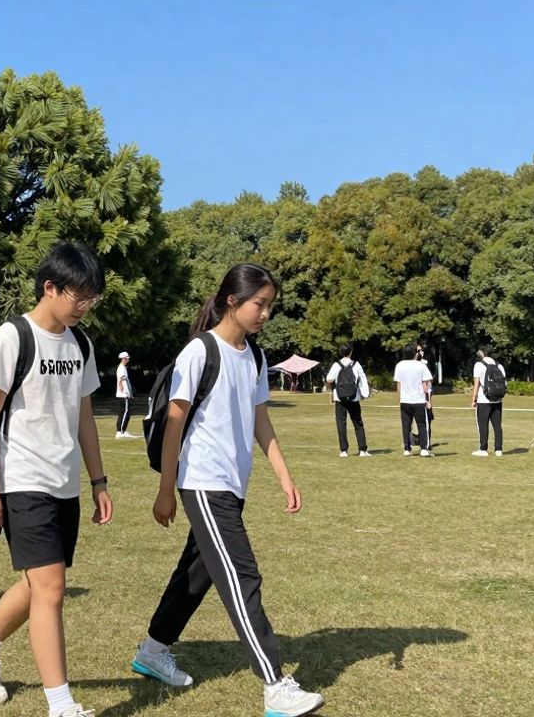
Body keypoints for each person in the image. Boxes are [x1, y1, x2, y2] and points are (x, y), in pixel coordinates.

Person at [131, 263, 323, 717]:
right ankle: (275, 684)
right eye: (260, 304)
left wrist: (284, 475)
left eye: (270, 305)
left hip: (232, 484)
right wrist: (165, 489)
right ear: (232, 301)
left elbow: (260, 420)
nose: (266, 314)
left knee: (196, 574)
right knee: (242, 576)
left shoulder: (254, 357)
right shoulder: (200, 351)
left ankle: (153, 651)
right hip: (202, 481)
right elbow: (175, 422)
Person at [0, 241, 112, 717]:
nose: (85, 307)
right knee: (51, 589)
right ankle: (60, 705)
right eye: (79, 297)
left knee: (37, 584)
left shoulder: (80, 344)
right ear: (50, 288)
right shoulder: (12, 337)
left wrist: (99, 480)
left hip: (65, 481)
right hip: (21, 478)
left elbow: (84, 417)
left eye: (92, 298)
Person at [324, 342, 370, 458]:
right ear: (351, 352)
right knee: (358, 423)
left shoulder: (337, 365)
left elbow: (329, 379)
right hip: (354, 397)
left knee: (341, 424)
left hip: (339, 397)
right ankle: (362, 450)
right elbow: (362, 379)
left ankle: (344, 450)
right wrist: (365, 393)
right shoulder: (356, 364)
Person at [394, 344, 433, 457]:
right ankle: (424, 448)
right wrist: (427, 399)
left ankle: (407, 448)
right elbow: (425, 384)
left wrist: (400, 398)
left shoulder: (400, 365)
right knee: (421, 424)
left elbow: (399, 384)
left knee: (406, 425)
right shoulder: (420, 366)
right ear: (414, 353)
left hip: (405, 400)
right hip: (419, 400)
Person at [471, 345, 505, 457]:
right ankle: (498, 449)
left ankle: (483, 448)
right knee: (497, 425)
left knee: (482, 424)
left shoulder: (479, 365)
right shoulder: (499, 365)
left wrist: (473, 398)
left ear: (482, 352)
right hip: (497, 400)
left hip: (483, 399)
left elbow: (477, 383)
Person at [114, 351, 135, 439]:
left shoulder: (122, 368)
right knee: (125, 413)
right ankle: (120, 431)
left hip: (123, 394)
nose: (128, 360)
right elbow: (122, 380)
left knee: (124, 413)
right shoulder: (121, 368)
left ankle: (123, 430)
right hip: (123, 395)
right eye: (127, 358)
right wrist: (126, 392)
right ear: (123, 359)